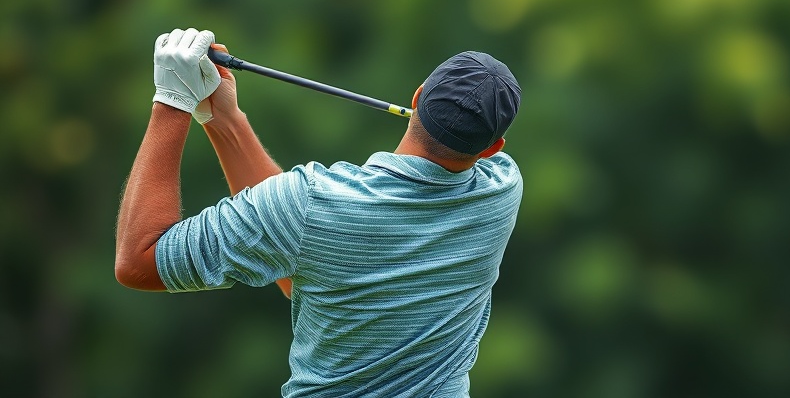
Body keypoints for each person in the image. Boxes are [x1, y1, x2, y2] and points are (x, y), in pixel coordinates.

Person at [115, 28, 523, 397]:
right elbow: (307, 275)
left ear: (416, 97)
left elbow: (138, 261)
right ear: (491, 148)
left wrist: (172, 101)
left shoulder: (311, 203)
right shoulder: (502, 190)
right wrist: (225, 122)